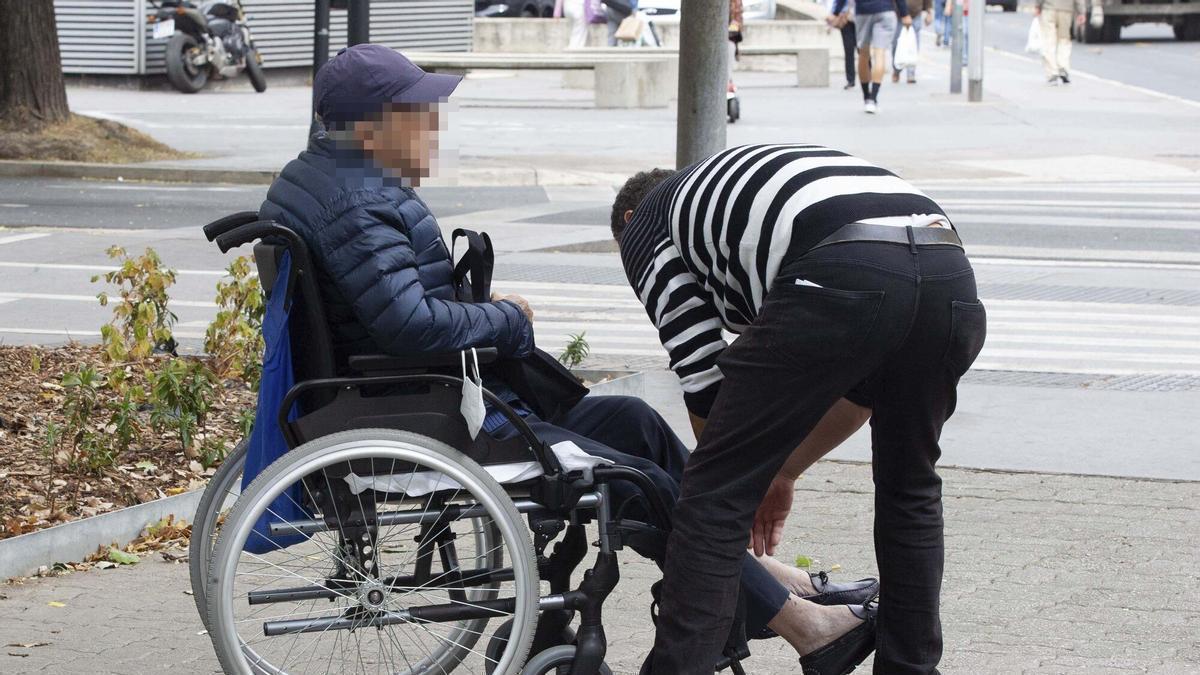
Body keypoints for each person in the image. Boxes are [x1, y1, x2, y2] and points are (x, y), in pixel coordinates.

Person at [257, 45, 880, 665]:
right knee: (645, 484)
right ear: (372, 126)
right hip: (435, 411)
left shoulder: (335, 185)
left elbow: (397, 310)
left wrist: (477, 309)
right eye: (420, 112)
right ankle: (804, 625)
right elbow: (410, 327)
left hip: (438, 393)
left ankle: (761, 577)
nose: (434, 126)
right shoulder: (356, 204)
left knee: (635, 424)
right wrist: (507, 318)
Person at [611, 144, 987, 674]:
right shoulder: (737, 205)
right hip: (947, 270)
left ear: (626, 221)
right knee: (910, 488)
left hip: (842, 269)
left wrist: (740, 478)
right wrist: (782, 469)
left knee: (710, 498)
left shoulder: (645, 223)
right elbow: (856, 391)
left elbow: (702, 376)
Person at [833, 0, 912, 113]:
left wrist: (835, 12)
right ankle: (873, 98)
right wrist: (904, 13)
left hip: (863, 11)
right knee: (880, 53)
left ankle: (866, 97)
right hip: (885, 10)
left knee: (863, 54)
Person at [1036, 0, 1084, 84]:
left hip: (1049, 8)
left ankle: (1052, 72)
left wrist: (1038, 5)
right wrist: (1081, 12)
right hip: (1066, 10)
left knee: (1049, 40)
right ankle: (1063, 68)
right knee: (1064, 40)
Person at [892, 0, 931, 83]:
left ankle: (911, 73)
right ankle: (897, 69)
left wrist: (929, 12)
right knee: (896, 43)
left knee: (914, 44)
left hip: (916, 14)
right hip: (899, 14)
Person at [826, 0, 859, 90]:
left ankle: (868, 77)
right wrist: (834, 13)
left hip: (861, 16)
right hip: (845, 18)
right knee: (848, 50)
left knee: (863, 49)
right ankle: (850, 80)